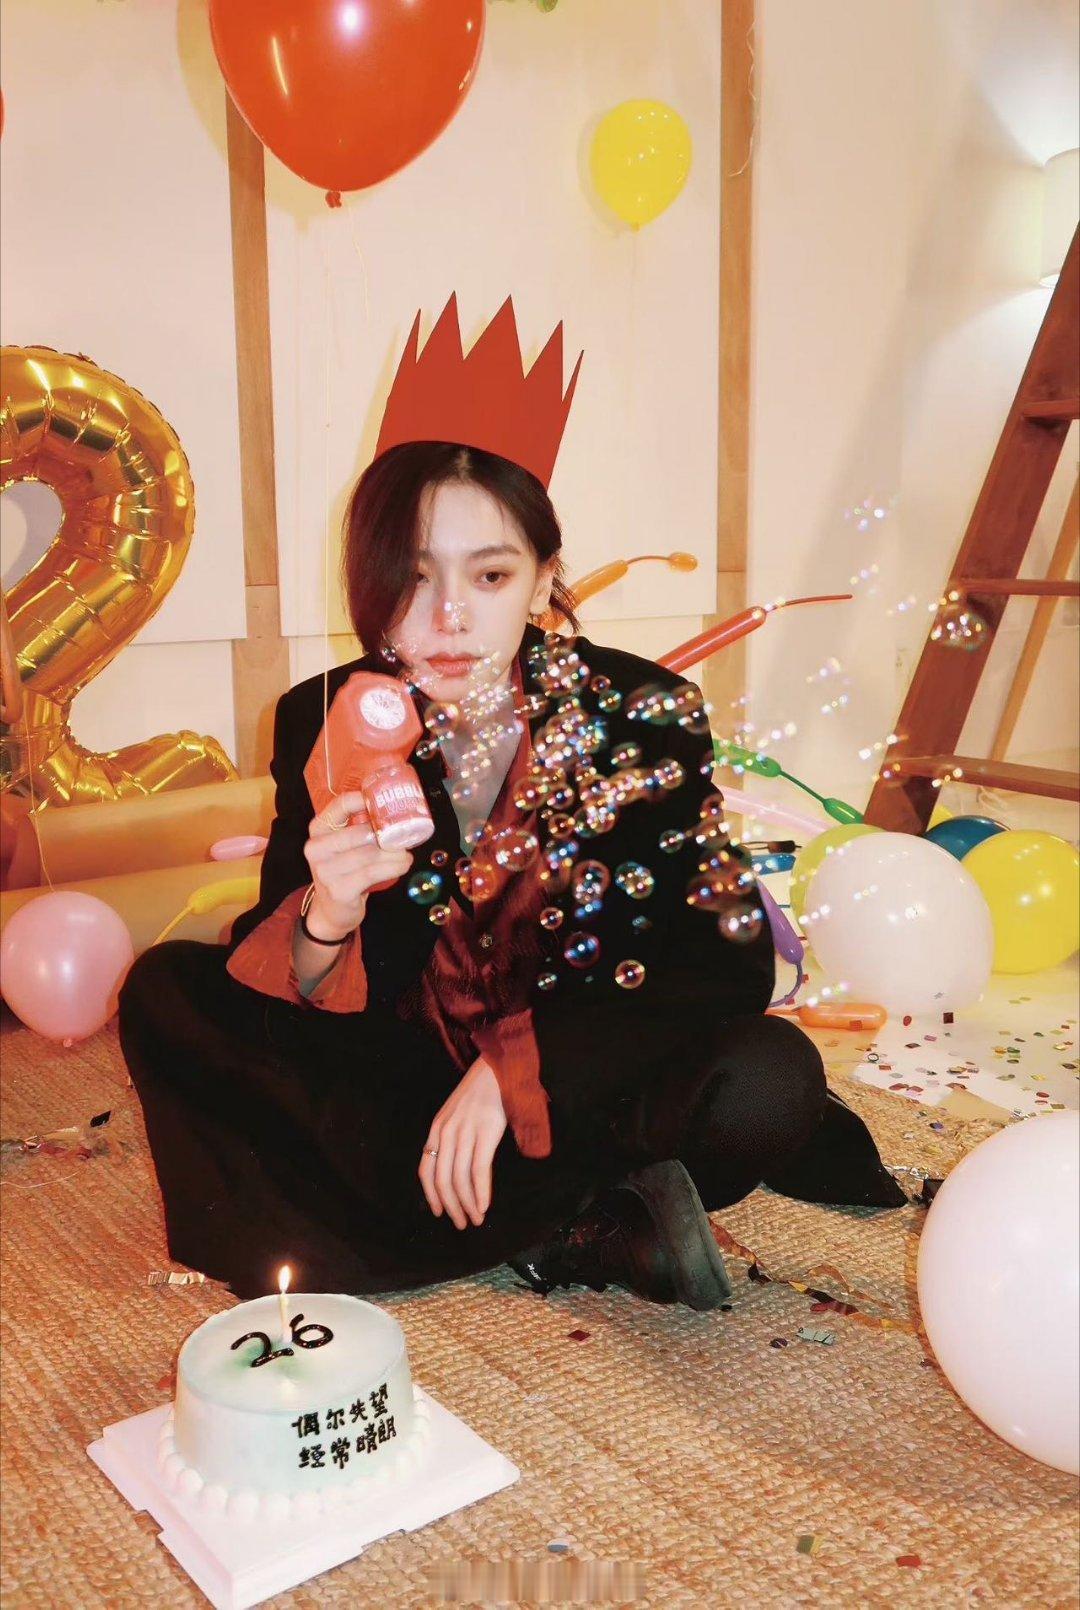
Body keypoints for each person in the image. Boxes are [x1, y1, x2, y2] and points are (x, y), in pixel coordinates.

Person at [118, 296, 904, 1312]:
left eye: (488, 575)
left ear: (541, 581)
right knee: (167, 991)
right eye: (412, 578)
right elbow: (284, 985)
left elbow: (724, 960)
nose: (449, 617)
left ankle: (492, 1209)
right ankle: (572, 1221)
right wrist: (327, 914)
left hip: (578, 1074)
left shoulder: (641, 713)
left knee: (767, 1079)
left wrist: (510, 1068)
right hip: (400, 1076)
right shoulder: (322, 716)